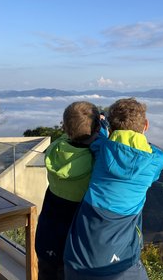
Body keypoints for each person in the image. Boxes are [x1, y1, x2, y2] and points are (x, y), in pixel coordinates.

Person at [64, 98, 163, 280]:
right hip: (120, 264)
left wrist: (103, 125)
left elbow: (99, 139)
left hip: (78, 258)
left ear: (111, 129)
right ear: (146, 125)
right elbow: (155, 157)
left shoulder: (102, 148)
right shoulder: (155, 160)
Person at [35, 101, 101, 280]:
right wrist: (101, 130)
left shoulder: (55, 150)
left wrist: (95, 126)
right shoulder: (95, 162)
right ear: (96, 128)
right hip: (73, 244)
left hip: (46, 235)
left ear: (64, 127)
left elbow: (70, 134)